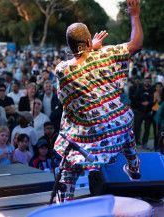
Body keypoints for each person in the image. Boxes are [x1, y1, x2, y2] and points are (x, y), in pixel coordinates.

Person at [53, 0, 143, 202]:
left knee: (68, 160)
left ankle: (64, 201)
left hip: (86, 138)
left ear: (69, 46)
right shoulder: (107, 54)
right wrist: (134, 15)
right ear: (87, 41)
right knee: (124, 119)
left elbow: (78, 61)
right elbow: (136, 43)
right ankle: (134, 166)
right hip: (115, 130)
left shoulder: (63, 70)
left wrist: (89, 48)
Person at [130, 77, 153, 149]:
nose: (147, 83)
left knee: (147, 129)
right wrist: (141, 104)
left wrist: (149, 103)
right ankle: (136, 142)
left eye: (149, 81)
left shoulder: (152, 90)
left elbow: (155, 101)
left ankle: (144, 143)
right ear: (143, 82)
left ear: (150, 82)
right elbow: (134, 100)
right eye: (146, 81)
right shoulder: (139, 90)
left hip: (148, 112)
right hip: (139, 111)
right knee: (137, 128)